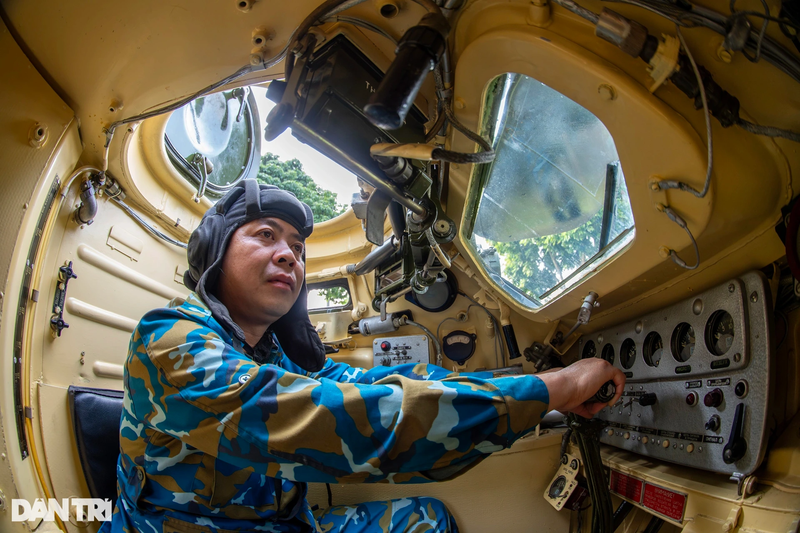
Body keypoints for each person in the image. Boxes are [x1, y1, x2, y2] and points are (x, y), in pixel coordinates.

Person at [100, 180, 625, 533]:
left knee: (426, 520)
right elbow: (341, 419)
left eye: (298, 248)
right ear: (215, 252)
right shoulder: (170, 341)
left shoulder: (275, 353)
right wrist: (561, 388)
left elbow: (386, 383)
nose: (290, 254)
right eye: (265, 235)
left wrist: (530, 384)